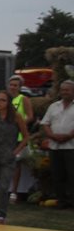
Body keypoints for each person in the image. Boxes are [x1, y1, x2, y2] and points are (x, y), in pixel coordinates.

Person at [0, 91, 29, 223]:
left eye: (2, 100)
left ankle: (1, 215)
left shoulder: (16, 117)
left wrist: (16, 151)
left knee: (4, 187)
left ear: (8, 102)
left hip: (8, 155)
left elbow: (26, 137)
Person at [41, 80, 74, 209]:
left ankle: (72, 201)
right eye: (63, 89)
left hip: (71, 146)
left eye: (67, 90)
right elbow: (45, 123)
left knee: (72, 175)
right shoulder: (54, 106)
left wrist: (68, 136)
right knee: (57, 174)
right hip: (55, 146)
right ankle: (61, 201)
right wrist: (52, 135)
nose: (64, 92)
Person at [8, 75, 35, 199]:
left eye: (15, 85)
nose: (12, 87)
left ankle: (15, 191)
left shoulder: (23, 99)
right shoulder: (5, 99)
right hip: (7, 135)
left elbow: (30, 116)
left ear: (19, 87)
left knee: (17, 163)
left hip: (19, 135)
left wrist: (20, 123)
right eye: (11, 85)